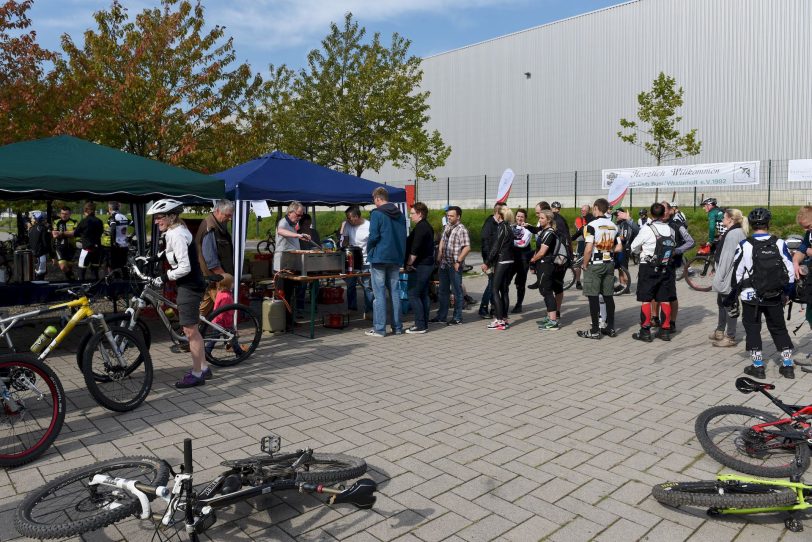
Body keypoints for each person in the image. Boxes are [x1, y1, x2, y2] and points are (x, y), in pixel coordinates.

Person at [147, 199, 209, 388]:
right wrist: (152, 258)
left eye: (159, 217)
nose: (157, 221)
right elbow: (171, 252)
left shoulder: (178, 234)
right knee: (192, 329)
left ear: (172, 216)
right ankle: (204, 367)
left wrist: (163, 278)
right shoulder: (172, 232)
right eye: (156, 218)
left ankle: (197, 374)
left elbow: (184, 267)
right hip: (186, 283)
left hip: (189, 284)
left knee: (190, 330)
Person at [732, 207, 795, 379]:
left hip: (750, 296)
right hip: (774, 294)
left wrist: (734, 294)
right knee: (779, 329)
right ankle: (788, 366)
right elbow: (789, 271)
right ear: (768, 223)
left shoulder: (744, 245)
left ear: (751, 225)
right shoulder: (780, 243)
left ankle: (758, 366)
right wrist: (787, 293)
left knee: (753, 329)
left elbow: (737, 272)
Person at [630, 203, 676, 342]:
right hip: (665, 267)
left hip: (648, 267)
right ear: (664, 214)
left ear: (651, 214)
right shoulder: (670, 229)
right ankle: (665, 330)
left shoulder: (647, 229)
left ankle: (645, 331)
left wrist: (641, 251)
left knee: (646, 299)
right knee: (665, 299)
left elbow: (634, 247)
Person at [576, 198, 621, 339]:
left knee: (593, 296)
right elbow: (619, 247)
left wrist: (584, 263)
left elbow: (588, 248)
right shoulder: (614, 225)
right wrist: (607, 250)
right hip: (609, 263)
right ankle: (611, 328)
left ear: (595, 208)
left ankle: (595, 330)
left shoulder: (590, 226)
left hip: (595, 264)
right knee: (608, 296)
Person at [366, 187, 407, 337]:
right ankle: (397, 327)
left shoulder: (377, 214)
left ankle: (379, 328)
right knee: (395, 293)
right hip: (395, 257)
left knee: (379, 294)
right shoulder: (400, 215)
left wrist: (369, 250)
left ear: (377, 198)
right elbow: (404, 236)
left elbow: (373, 236)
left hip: (379, 257)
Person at [651, 201, 695, 332]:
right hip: (654, 264)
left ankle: (672, 322)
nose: (663, 212)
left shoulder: (677, 225)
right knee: (654, 293)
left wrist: (677, 250)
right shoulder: (653, 225)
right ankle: (655, 318)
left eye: (665, 209)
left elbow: (691, 242)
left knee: (670, 295)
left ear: (671, 211)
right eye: (661, 210)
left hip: (670, 264)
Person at [710, 208, 748, 347]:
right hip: (728, 272)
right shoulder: (734, 232)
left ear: (730, 219)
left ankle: (730, 336)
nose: (721, 220)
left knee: (730, 304)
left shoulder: (733, 234)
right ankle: (720, 330)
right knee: (721, 302)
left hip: (729, 274)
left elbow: (728, 258)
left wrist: (720, 276)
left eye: (724, 217)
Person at [431, 206, 470, 326]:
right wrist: (439, 252)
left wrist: (458, 261)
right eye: (448, 215)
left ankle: (457, 317)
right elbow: (443, 239)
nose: (449, 217)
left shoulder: (461, 229)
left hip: (454, 265)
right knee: (443, 291)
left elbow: (467, 247)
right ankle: (441, 316)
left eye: (451, 216)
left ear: (458, 216)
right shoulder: (447, 226)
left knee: (457, 291)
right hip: (444, 264)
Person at [274, 201, 310, 331]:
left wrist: (301, 234)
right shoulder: (283, 222)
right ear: (290, 212)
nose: (299, 217)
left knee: (290, 295)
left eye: (301, 215)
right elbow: (281, 231)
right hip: (281, 266)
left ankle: (289, 321)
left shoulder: (294, 224)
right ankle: (282, 323)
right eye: (298, 215)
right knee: (283, 296)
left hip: (291, 264)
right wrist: (298, 235)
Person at [194, 199, 234, 316]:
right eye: (228, 215)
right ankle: (223, 333)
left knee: (204, 309)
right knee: (223, 310)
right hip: (215, 278)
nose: (230, 218)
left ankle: (190, 329)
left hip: (211, 278)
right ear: (217, 211)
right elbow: (211, 260)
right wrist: (226, 278)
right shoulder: (211, 227)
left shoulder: (217, 224)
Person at [481, 207, 514, 330]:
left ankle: (499, 320)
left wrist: (487, 262)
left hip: (502, 260)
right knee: (504, 290)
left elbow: (496, 246)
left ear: (499, 215)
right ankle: (504, 318)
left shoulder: (502, 227)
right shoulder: (509, 227)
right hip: (509, 260)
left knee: (494, 290)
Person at [405, 202, 435, 334]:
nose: (410, 216)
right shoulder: (425, 226)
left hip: (421, 265)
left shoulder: (421, 227)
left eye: (412, 213)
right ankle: (424, 322)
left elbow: (415, 248)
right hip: (426, 264)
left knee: (413, 294)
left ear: (420, 214)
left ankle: (420, 325)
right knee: (422, 294)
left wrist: (409, 264)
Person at [529, 209, 562, 330]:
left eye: (542, 218)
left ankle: (553, 321)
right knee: (544, 291)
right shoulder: (544, 231)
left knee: (547, 292)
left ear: (548, 220)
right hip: (542, 265)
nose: (539, 220)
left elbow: (542, 252)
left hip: (547, 265)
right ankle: (549, 317)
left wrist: (532, 259)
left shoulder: (549, 233)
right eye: (539, 217)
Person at [340, 205, 373, 314]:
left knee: (367, 286)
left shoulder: (369, 225)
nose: (348, 220)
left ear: (357, 216)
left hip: (366, 260)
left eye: (350, 218)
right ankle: (352, 308)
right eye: (347, 218)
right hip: (351, 260)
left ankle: (369, 310)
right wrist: (342, 248)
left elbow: (373, 243)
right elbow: (345, 240)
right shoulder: (347, 225)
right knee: (350, 285)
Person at [62, 202, 104, 280]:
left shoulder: (84, 221)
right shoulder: (99, 221)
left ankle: (81, 291)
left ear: (86, 211)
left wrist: (62, 233)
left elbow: (75, 233)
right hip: (97, 250)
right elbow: (101, 232)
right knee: (95, 272)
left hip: (87, 250)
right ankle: (97, 290)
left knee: (81, 272)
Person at [478, 203, 504, 319]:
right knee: (492, 284)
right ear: (499, 212)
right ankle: (483, 308)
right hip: (491, 260)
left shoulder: (501, 224)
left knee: (494, 284)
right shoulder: (489, 224)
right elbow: (485, 245)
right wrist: (487, 262)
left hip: (499, 260)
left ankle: (493, 308)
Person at [508, 208, 533, 313]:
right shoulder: (510, 226)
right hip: (511, 259)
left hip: (523, 259)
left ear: (525, 218)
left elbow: (523, 243)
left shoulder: (528, 228)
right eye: (518, 216)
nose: (519, 218)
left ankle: (519, 304)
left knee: (520, 283)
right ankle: (504, 303)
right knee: (506, 281)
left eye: (522, 216)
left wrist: (509, 242)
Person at [207, 273, 235, 355]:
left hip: (219, 321)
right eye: (232, 283)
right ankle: (207, 351)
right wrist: (225, 324)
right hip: (223, 322)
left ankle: (207, 351)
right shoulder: (226, 297)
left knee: (217, 337)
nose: (233, 284)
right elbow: (222, 312)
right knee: (229, 337)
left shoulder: (220, 293)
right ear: (227, 285)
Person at [613, 208, 638, 295]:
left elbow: (624, 237)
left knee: (623, 268)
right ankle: (622, 285)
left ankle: (626, 287)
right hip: (621, 248)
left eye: (617, 215)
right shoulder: (620, 224)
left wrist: (613, 237)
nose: (616, 217)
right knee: (620, 268)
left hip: (625, 248)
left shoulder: (626, 224)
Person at [572, 203, 593, 290]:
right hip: (581, 243)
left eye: (585, 210)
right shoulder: (579, 219)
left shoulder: (591, 219)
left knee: (589, 262)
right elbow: (581, 228)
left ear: (589, 211)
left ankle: (589, 281)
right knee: (578, 262)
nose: (583, 212)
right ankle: (578, 281)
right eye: (582, 210)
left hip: (589, 242)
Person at [52, 206, 77, 280]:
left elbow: (74, 233)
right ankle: (73, 279)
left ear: (70, 214)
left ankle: (70, 283)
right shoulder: (56, 222)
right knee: (63, 267)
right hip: (59, 247)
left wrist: (61, 233)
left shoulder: (74, 222)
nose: (63, 215)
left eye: (66, 214)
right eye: (62, 213)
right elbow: (54, 234)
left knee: (69, 267)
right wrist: (68, 233)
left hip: (71, 247)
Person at [107, 202, 130, 276]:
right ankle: (126, 281)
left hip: (116, 245)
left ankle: (116, 282)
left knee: (114, 265)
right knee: (123, 265)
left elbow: (113, 228)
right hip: (125, 244)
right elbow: (135, 225)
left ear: (110, 209)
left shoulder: (112, 217)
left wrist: (113, 241)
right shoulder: (124, 216)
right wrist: (130, 237)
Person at [28, 211, 50, 281]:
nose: (46, 220)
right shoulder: (42, 228)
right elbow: (45, 243)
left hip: (33, 254)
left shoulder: (31, 229)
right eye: (45, 219)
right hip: (41, 254)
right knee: (41, 273)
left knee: (36, 272)